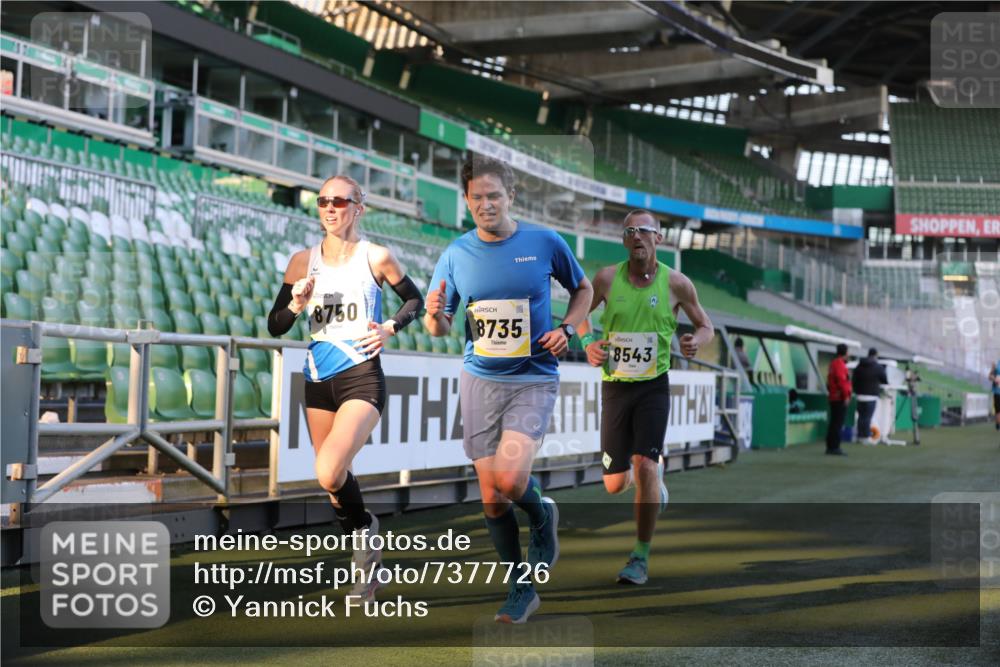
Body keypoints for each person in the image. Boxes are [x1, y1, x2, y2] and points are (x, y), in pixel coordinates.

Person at [424, 155, 593, 623]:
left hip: (533, 377)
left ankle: (541, 518)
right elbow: (440, 328)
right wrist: (435, 313)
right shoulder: (455, 253)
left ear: (511, 197)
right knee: (491, 497)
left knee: (512, 480)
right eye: (476, 197)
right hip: (480, 380)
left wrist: (569, 329)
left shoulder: (544, 242)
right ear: (466, 200)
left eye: (494, 196)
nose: (485, 204)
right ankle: (520, 587)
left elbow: (584, 291)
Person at [267, 175, 423, 601]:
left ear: (359, 207)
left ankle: (366, 538)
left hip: (361, 374)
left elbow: (415, 300)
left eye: (340, 201)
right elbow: (275, 324)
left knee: (329, 469)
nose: (330, 208)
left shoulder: (376, 257)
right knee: (334, 481)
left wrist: (390, 326)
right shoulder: (302, 261)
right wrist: (296, 305)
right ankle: (368, 561)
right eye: (323, 201)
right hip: (318, 376)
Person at [576, 209, 714, 586]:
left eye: (643, 231)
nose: (635, 236)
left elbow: (706, 326)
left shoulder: (678, 284)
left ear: (659, 238)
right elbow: (578, 315)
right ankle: (650, 481)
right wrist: (588, 343)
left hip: (654, 385)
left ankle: (639, 555)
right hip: (616, 387)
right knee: (614, 484)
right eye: (629, 232)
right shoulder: (605, 278)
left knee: (645, 464)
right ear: (623, 240)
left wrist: (694, 341)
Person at [852, 348, 888, 444]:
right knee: (867, 417)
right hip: (871, 396)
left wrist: (856, 390)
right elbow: (884, 379)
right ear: (876, 355)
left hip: (859, 395)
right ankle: (866, 437)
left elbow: (854, 380)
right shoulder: (878, 367)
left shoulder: (859, 366)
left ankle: (860, 436)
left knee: (861, 416)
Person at [826, 343, 852, 456]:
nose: (849, 354)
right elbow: (842, 382)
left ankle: (830, 446)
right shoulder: (840, 364)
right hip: (839, 397)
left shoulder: (834, 363)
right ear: (845, 353)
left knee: (834, 423)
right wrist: (846, 396)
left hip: (834, 396)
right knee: (837, 423)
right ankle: (834, 447)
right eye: (848, 352)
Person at [990, 359, 1000, 432]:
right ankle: (998, 424)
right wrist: (995, 379)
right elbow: (990, 376)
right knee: (998, 411)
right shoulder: (997, 364)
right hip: (997, 392)